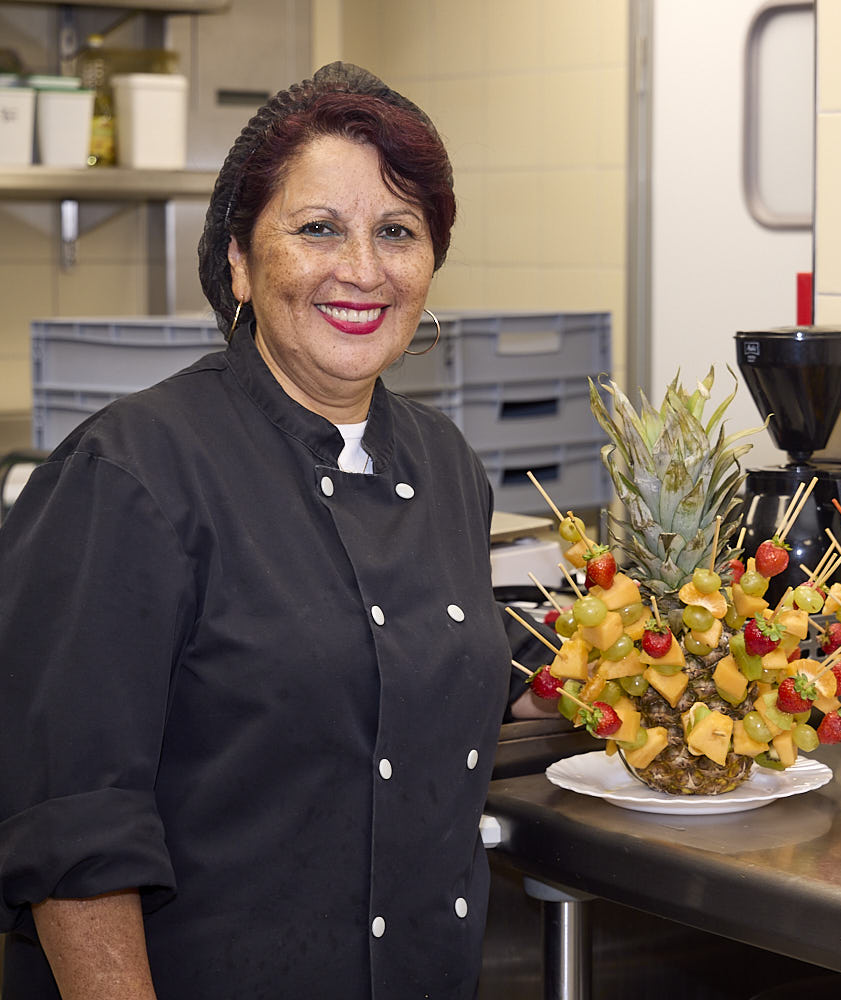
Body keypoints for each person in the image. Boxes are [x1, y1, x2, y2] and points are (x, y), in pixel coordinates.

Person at [0, 63, 509, 999]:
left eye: (397, 232)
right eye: (319, 229)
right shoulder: (133, 472)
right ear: (239, 259)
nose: (363, 269)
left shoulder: (445, 466)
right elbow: (71, 825)